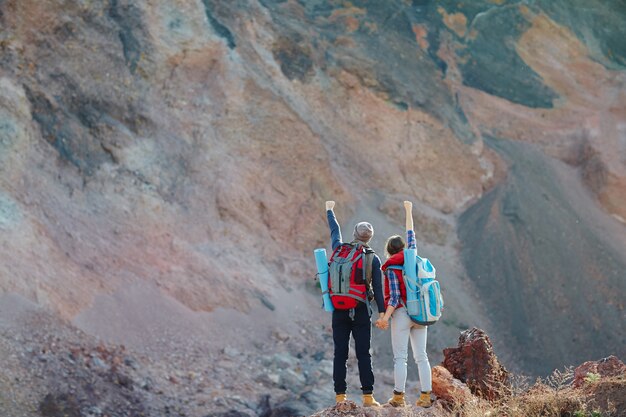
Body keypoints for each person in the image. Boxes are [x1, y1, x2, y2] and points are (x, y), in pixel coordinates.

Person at [325, 200, 386, 407]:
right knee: (363, 354)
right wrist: (382, 314)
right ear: (369, 238)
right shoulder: (373, 258)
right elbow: (378, 290)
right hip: (360, 309)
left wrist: (330, 210)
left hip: (339, 309)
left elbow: (334, 231)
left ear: (354, 234)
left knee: (339, 353)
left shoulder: (339, 249)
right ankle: (368, 397)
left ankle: (340, 397)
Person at [375, 200, 432, 408]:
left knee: (401, 358)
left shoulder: (391, 267)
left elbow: (395, 296)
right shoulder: (413, 257)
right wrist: (408, 210)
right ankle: (425, 397)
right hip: (420, 313)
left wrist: (385, 318)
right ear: (404, 248)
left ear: (388, 251)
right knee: (422, 357)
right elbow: (411, 233)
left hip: (401, 315)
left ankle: (398, 397)